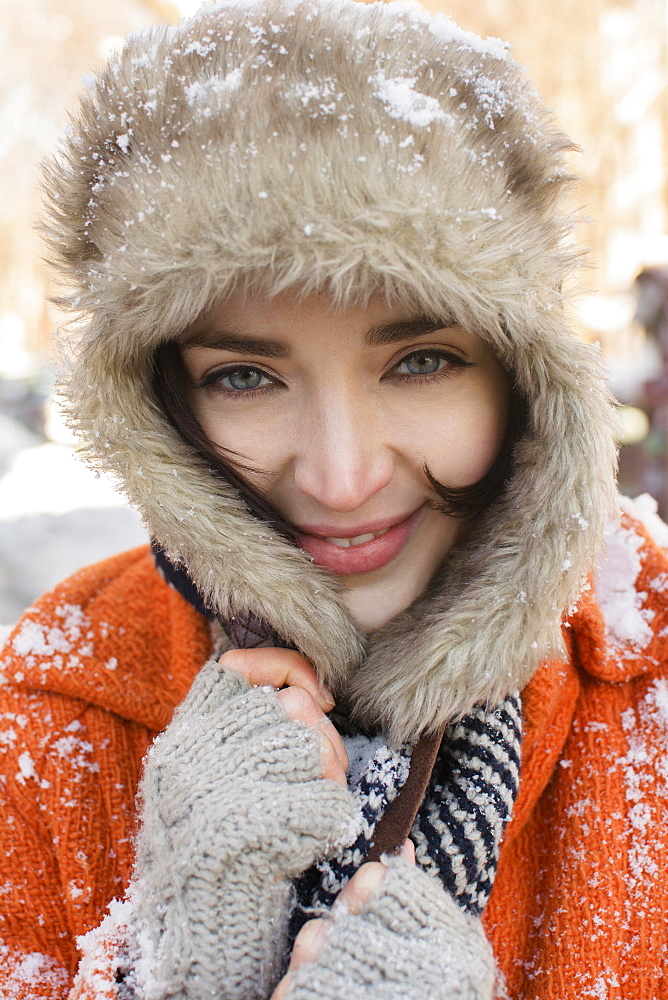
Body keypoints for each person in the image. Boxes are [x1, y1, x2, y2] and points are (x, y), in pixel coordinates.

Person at [1, 0, 667, 996]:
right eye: (244, 376)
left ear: (521, 378)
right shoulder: (60, 698)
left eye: (421, 360)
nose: (340, 477)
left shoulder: (646, 677)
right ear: (160, 398)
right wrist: (175, 966)